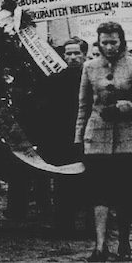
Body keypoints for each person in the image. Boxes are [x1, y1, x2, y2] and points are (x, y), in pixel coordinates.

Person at [75, 22, 132, 262]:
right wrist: (79, 137)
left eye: (113, 42)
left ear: (122, 42)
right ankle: (100, 246)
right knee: (99, 193)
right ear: (98, 43)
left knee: (125, 194)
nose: (109, 47)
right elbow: (83, 105)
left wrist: (124, 107)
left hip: (128, 140)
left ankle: (124, 243)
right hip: (97, 138)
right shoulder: (89, 67)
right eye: (104, 42)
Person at [39, 37, 88, 236]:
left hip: (88, 136)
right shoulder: (56, 79)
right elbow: (50, 111)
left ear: (85, 54)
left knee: (88, 182)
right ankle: (63, 223)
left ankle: (88, 225)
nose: (73, 57)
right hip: (63, 138)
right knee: (63, 181)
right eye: (69, 53)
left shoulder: (92, 77)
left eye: (77, 53)